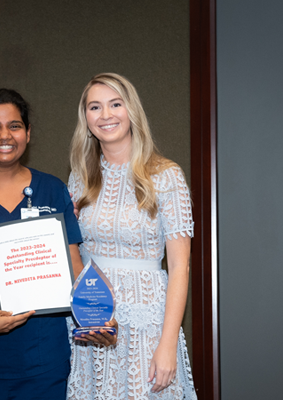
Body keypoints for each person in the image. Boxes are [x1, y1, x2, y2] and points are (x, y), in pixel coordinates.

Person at [0, 89, 116, 400]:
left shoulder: (52, 189)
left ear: (28, 134)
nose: (5, 135)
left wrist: (96, 316)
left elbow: (73, 263)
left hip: (39, 362)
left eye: (14, 126)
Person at [65, 72, 197, 399]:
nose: (106, 115)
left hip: (147, 323)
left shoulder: (166, 176)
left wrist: (167, 344)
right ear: (86, 118)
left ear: (131, 111)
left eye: (115, 104)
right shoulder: (79, 179)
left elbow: (180, 268)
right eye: (95, 107)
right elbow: (72, 251)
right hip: (94, 320)